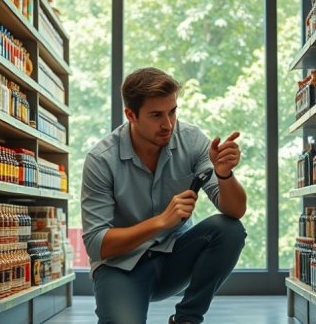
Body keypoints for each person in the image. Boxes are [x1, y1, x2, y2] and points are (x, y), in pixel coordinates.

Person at [81, 67, 247, 324]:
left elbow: (235, 211)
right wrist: (160, 222)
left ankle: (187, 319)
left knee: (229, 229)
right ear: (130, 115)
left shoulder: (192, 140)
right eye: (156, 115)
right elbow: (96, 244)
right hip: (121, 267)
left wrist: (224, 174)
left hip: (174, 258)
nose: (168, 124)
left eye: (172, 112)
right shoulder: (101, 159)